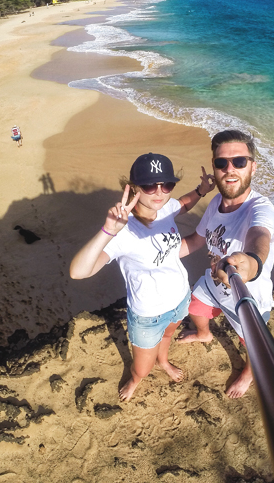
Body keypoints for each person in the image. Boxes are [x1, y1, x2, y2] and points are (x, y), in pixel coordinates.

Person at [70, 153, 215, 401]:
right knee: (142, 368)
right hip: (148, 315)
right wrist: (108, 230)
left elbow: (182, 204)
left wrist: (201, 191)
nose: (159, 192)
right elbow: (79, 272)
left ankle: (164, 361)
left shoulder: (165, 208)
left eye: (166, 184)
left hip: (180, 299)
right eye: (149, 185)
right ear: (134, 187)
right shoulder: (124, 231)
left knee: (168, 336)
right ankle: (136, 379)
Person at [178, 130, 274, 398]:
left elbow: (260, 236)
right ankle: (204, 334)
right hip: (213, 286)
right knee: (194, 307)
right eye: (222, 163)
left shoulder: (260, 208)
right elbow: (197, 240)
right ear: (214, 167)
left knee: (254, 346)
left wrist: (251, 263)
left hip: (247, 297)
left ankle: (248, 373)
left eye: (240, 162)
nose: (229, 169)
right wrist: (158, 254)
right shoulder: (215, 203)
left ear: (253, 167)